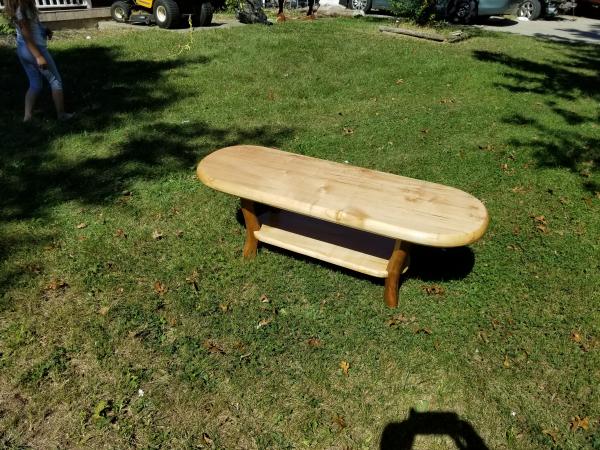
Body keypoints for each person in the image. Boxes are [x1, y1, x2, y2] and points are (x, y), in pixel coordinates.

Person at [4, 0, 74, 122]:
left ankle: (27, 117)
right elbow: (27, 37)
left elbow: (34, 24)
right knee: (55, 80)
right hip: (35, 50)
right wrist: (39, 56)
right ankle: (61, 114)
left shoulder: (24, 8)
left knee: (35, 84)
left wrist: (44, 29)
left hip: (23, 51)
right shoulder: (22, 11)